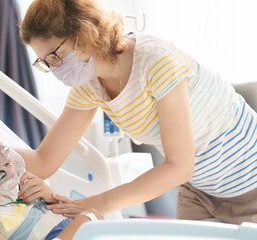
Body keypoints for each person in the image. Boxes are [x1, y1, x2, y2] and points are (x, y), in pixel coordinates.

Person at [15, 0, 257, 224]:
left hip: (251, 186)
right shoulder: (89, 85)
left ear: (84, 34)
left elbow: (179, 166)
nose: (55, 70)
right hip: (198, 191)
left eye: (55, 56)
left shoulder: (156, 61)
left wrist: (91, 205)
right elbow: (44, 161)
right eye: (45, 62)